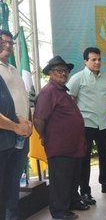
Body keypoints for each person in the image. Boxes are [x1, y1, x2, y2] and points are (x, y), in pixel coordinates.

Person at [34, 56, 88, 220]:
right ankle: (59, 211)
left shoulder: (62, 91)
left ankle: (72, 201)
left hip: (74, 146)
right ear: (50, 73)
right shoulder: (48, 92)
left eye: (66, 70)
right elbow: (38, 119)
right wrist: (44, 137)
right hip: (59, 146)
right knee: (61, 181)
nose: (64, 73)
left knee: (72, 178)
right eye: (59, 70)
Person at [67, 47, 106, 205]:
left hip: (103, 124)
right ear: (85, 61)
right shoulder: (78, 78)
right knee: (85, 159)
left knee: (105, 157)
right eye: (93, 59)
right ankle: (85, 192)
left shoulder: (105, 77)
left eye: (99, 59)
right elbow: (70, 101)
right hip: (86, 124)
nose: (97, 62)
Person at [0, 29, 33, 220]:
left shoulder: (13, 70)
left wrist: (27, 123)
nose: (8, 46)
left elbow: (24, 99)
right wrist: (14, 125)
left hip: (21, 135)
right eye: (3, 41)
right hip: (5, 135)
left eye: (11, 43)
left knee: (14, 184)